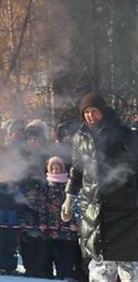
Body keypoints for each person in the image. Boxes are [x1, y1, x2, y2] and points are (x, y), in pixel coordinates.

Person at [62, 92, 138, 282]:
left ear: (102, 110)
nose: (90, 115)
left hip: (124, 210)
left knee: (128, 267)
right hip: (93, 210)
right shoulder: (80, 137)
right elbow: (77, 170)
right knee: (100, 268)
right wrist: (69, 198)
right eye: (86, 112)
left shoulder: (123, 134)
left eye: (94, 110)